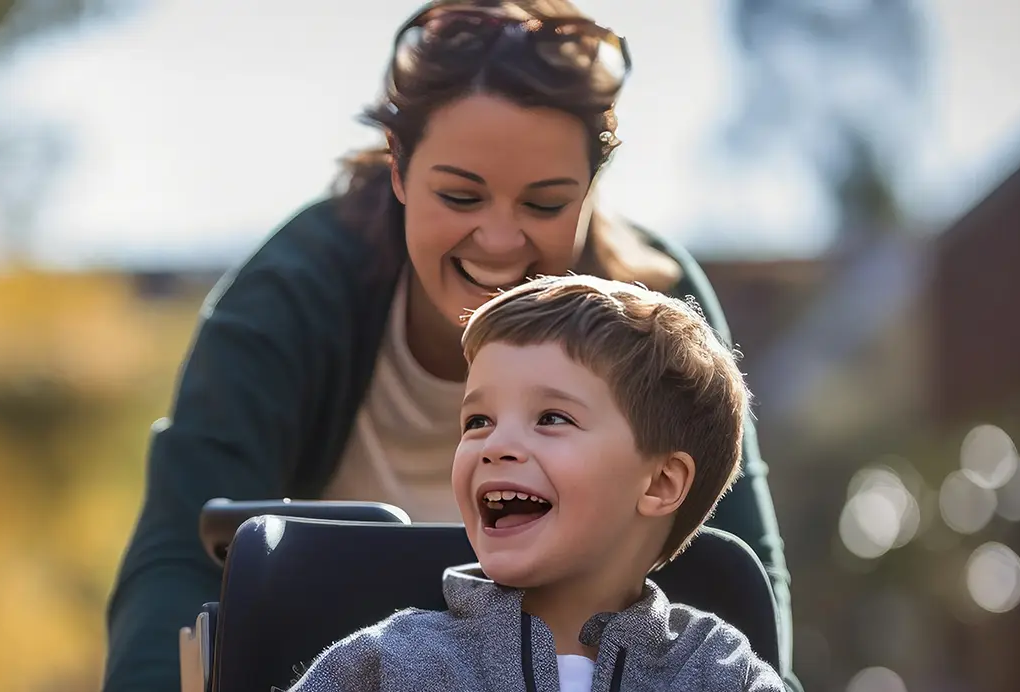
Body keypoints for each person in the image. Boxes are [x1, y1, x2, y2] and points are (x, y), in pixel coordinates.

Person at [103, 1, 793, 689]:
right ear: (399, 169)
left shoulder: (653, 320)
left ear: (589, 190)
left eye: (545, 204)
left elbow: (736, 568)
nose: (499, 241)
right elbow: (181, 548)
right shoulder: (293, 297)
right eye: (462, 197)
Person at [285, 274, 782, 692]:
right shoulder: (387, 666)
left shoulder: (723, 675)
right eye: (478, 420)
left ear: (660, 483)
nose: (495, 444)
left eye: (550, 417)